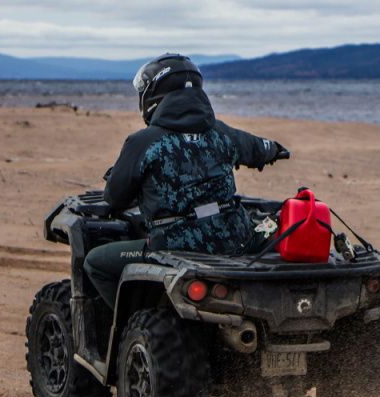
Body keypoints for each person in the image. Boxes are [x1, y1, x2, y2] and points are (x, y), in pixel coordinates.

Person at [84, 53, 288, 309]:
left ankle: (134, 326)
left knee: (95, 262)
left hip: (172, 246)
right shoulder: (221, 133)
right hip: (234, 239)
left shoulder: (143, 141)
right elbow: (259, 148)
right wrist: (277, 149)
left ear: (154, 95)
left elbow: (114, 198)